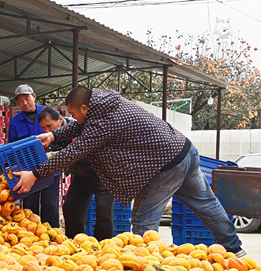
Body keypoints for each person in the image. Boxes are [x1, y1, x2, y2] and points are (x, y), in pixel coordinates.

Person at [13, 86, 245, 255]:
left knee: (143, 223)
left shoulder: (103, 123)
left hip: (164, 166)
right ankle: (236, 250)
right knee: (207, 204)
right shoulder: (105, 102)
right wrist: (53, 134)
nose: (72, 119)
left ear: (84, 107)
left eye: (73, 114)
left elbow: (74, 151)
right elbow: (81, 128)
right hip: (184, 151)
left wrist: (34, 173)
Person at [37, 106, 115, 241]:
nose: (47, 131)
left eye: (49, 126)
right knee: (70, 209)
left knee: (104, 214)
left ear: (60, 119)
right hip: (80, 177)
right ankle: (75, 243)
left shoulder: (77, 128)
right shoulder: (50, 138)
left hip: (102, 175)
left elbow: (73, 153)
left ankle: (103, 248)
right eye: (43, 128)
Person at [7, 84, 60, 228]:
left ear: (34, 97)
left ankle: (53, 235)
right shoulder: (15, 121)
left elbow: (62, 135)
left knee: (50, 205)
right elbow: (10, 147)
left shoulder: (47, 113)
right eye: (20, 100)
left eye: (27, 98)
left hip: (50, 167)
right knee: (30, 207)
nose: (25, 103)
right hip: (27, 171)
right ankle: (31, 236)